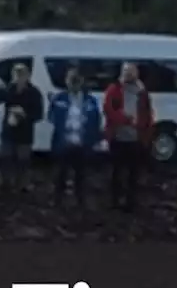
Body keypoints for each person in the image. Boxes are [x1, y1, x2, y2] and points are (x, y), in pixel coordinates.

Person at [46, 66, 102, 208]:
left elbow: (96, 120)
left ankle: (81, 203)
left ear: (82, 81)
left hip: (82, 145)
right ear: (66, 81)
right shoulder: (59, 98)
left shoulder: (90, 100)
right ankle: (57, 201)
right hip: (63, 143)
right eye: (71, 80)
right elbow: (51, 117)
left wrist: (94, 140)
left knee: (81, 177)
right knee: (60, 175)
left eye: (76, 80)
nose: (73, 83)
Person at [102, 62, 153, 212]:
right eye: (125, 71)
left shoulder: (142, 92)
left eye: (131, 71)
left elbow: (147, 113)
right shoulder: (114, 89)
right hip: (117, 138)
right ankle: (114, 201)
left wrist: (146, 130)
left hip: (136, 139)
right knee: (116, 173)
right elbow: (108, 109)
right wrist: (126, 120)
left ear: (136, 73)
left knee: (134, 174)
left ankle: (131, 203)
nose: (128, 74)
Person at [0, 63, 43, 198]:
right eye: (16, 75)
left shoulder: (34, 93)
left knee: (23, 162)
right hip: (8, 132)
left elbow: (39, 115)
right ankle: (6, 186)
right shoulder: (9, 89)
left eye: (21, 75)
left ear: (28, 76)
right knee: (5, 159)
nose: (18, 78)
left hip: (25, 134)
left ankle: (21, 187)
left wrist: (25, 115)